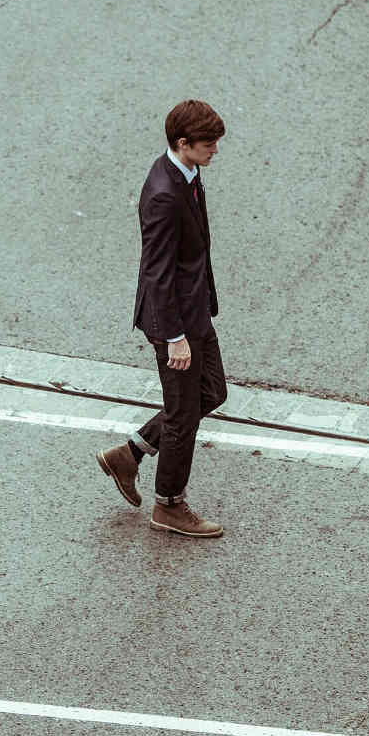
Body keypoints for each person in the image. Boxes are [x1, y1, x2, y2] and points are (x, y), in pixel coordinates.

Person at [97, 100, 228, 538]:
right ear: (182, 143)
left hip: (193, 310)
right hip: (175, 322)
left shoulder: (186, 173)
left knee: (210, 392)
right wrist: (174, 337)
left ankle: (129, 454)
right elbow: (156, 271)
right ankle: (169, 505)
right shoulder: (163, 194)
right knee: (182, 416)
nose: (215, 151)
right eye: (208, 144)